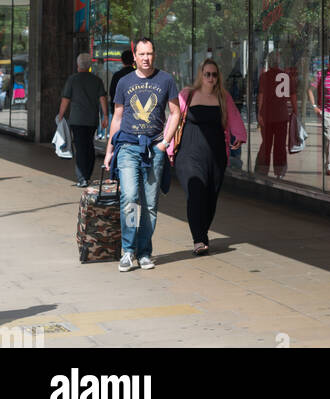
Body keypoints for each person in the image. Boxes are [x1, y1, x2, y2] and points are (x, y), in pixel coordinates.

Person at [104, 37, 180, 272]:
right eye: (142, 54)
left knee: (149, 204)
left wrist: (165, 143)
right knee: (129, 197)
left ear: (154, 55)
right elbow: (116, 118)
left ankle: (144, 251)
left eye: (150, 54)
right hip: (127, 146)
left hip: (154, 147)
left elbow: (176, 113)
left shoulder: (166, 79)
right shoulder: (124, 82)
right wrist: (109, 150)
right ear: (134, 57)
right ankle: (128, 251)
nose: (146, 58)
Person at [170, 58, 246, 255]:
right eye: (207, 74)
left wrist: (240, 136)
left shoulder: (223, 97)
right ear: (200, 75)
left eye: (214, 74)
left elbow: (235, 117)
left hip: (215, 155)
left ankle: (202, 232)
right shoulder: (187, 94)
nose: (211, 78)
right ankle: (199, 239)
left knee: (211, 197)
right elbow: (173, 118)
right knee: (196, 192)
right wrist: (166, 145)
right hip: (189, 154)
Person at [58, 52, 109, 188]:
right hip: (92, 120)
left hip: (77, 119)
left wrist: (60, 114)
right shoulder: (96, 80)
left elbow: (65, 99)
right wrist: (105, 116)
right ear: (90, 66)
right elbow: (103, 99)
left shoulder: (72, 79)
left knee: (80, 147)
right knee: (89, 146)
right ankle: (87, 175)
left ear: (77, 65)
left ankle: (82, 178)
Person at [256, 50, 293, 177]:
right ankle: (280, 171)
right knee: (280, 145)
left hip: (267, 116)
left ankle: (262, 170)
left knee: (266, 144)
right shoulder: (286, 76)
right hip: (282, 116)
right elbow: (292, 96)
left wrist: (259, 113)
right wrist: (295, 112)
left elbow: (261, 96)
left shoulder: (264, 76)